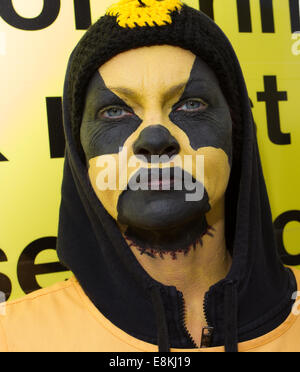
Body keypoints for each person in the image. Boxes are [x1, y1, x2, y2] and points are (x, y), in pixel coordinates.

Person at [0, 0, 299, 352]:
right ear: (81, 152)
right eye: (115, 111)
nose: (155, 138)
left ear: (237, 134)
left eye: (191, 105)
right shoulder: (13, 337)